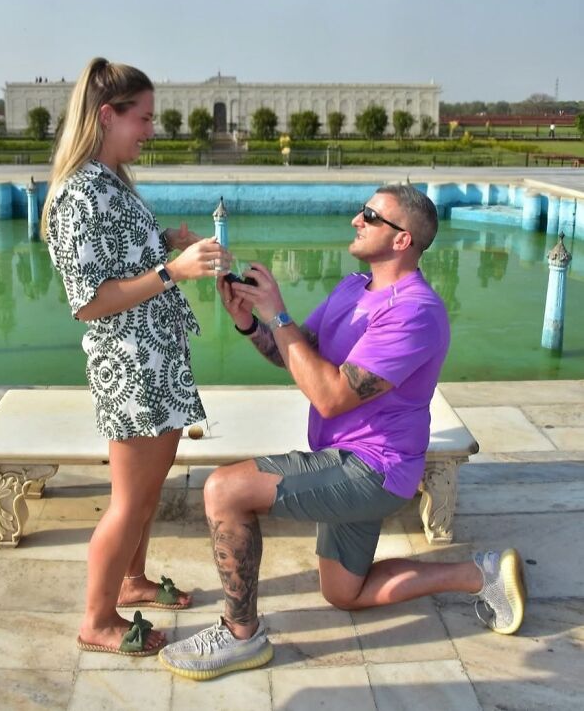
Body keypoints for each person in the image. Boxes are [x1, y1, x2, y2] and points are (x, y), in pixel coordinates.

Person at [160, 185, 527, 681]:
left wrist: (279, 313)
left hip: (373, 468)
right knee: (343, 593)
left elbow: (331, 396)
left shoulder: (414, 312)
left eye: (371, 216)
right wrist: (251, 324)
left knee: (225, 490)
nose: (357, 219)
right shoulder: (355, 287)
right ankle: (480, 574)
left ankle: (240, 635)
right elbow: (298, 354)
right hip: (343, 457)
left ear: (402, 241)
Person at [42, 56, 224, 659]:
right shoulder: (79, 193)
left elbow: (123, 263)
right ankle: (97, 618)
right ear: (106, 116)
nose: (151, 129)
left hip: (158, 359)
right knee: (128, 499)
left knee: (148, 489)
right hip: (130, 368)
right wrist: (173, 270)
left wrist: (162, 244)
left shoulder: (112, 179)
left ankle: (132, 579)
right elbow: (90, 301)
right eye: (142, 118)